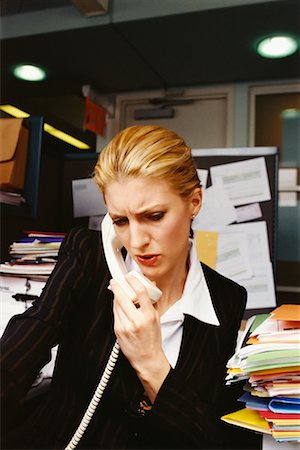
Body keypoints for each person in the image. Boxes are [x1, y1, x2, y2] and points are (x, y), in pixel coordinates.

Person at [1, 125, 258, 450]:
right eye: (120, 221)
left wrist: (151, 361)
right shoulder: (90, 258)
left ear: (194, 202)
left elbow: (209, 436)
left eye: (153, 216)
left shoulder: (226, 299)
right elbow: (25, 343)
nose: (136, 242)